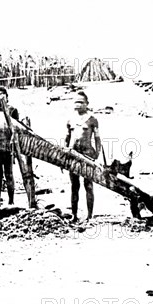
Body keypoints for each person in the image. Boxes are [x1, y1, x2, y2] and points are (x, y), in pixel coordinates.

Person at [65, 91, 102, 222]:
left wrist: (97, 154)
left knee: (88, 185)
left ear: (87, 104)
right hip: (73, 156)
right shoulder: (70, 119)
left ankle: (89, 215)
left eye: (81, 102)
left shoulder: (92, 119)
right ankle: (74, 215)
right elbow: (67, 139)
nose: (78, 104)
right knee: (74, 186)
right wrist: (64, 156)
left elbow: (97, 139)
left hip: (87, 155)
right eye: (76, 102)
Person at [0, 86, 19, 206]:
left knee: (9, 174)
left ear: (7, 97)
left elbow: (17, 129)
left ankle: (11, 200)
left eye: (1, 96)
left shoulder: (12, 110)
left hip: (7, 147)